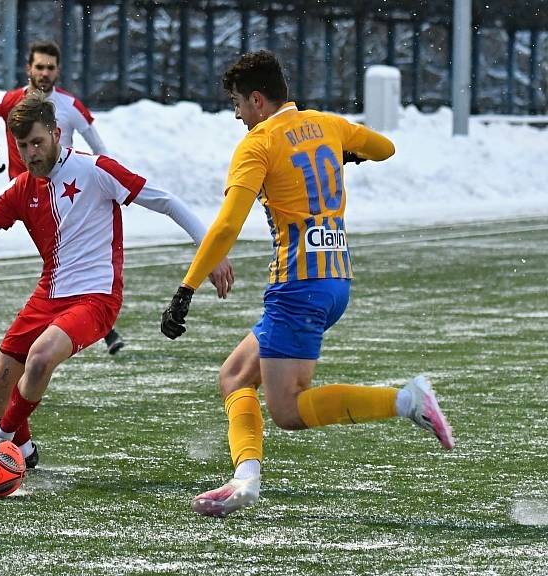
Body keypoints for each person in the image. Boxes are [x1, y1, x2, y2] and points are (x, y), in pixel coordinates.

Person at [160, 50, 455, 518]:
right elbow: (385, 148)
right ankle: (246, 479)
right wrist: (347, 150)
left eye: (237, 103)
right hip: (335, 278)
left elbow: (226, 227)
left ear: (257, 99)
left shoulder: (259, 143)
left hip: (298, 284)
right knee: (235, 375)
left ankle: (407, 400)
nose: (236, 114)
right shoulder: (325, 124)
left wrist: (186, 289)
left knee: (288, 411)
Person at [0, 92, 234, 469]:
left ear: (57, 133)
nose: (31, 153)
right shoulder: (22, 188)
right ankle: (22, 454)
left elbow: (167, 201)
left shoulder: (95, 171)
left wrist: (213, 252)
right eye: (23, 146)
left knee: (40, 359)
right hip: (49, 294)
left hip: (96, 299)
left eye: (38, 142)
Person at [0, 39, 126, 355]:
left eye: (50, 67)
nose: (45, 73)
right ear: (28, 69)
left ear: (58, 70)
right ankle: (90, 317)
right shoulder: (12, 101)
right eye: (39, 67)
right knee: (56, 259)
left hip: (66, 193)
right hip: (24, 196)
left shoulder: (70, 107)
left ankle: (96, 319)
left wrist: (107, 181)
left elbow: (99, 147)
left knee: (61, 258)